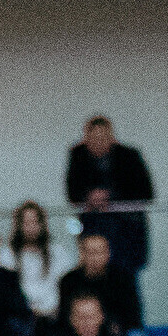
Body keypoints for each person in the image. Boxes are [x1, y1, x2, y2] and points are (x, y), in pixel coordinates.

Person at [63, 114, 153, 278]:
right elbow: (72, 194)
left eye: (103, 138)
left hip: (126, 230)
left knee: (125, 278)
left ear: (112, 138)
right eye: (94, 138)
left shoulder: (129, 156)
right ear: (86, 139)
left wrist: (110, 196)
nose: (99, 143)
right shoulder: (78, 156)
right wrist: (89, 197)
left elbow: (146, 192)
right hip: (94, 227)